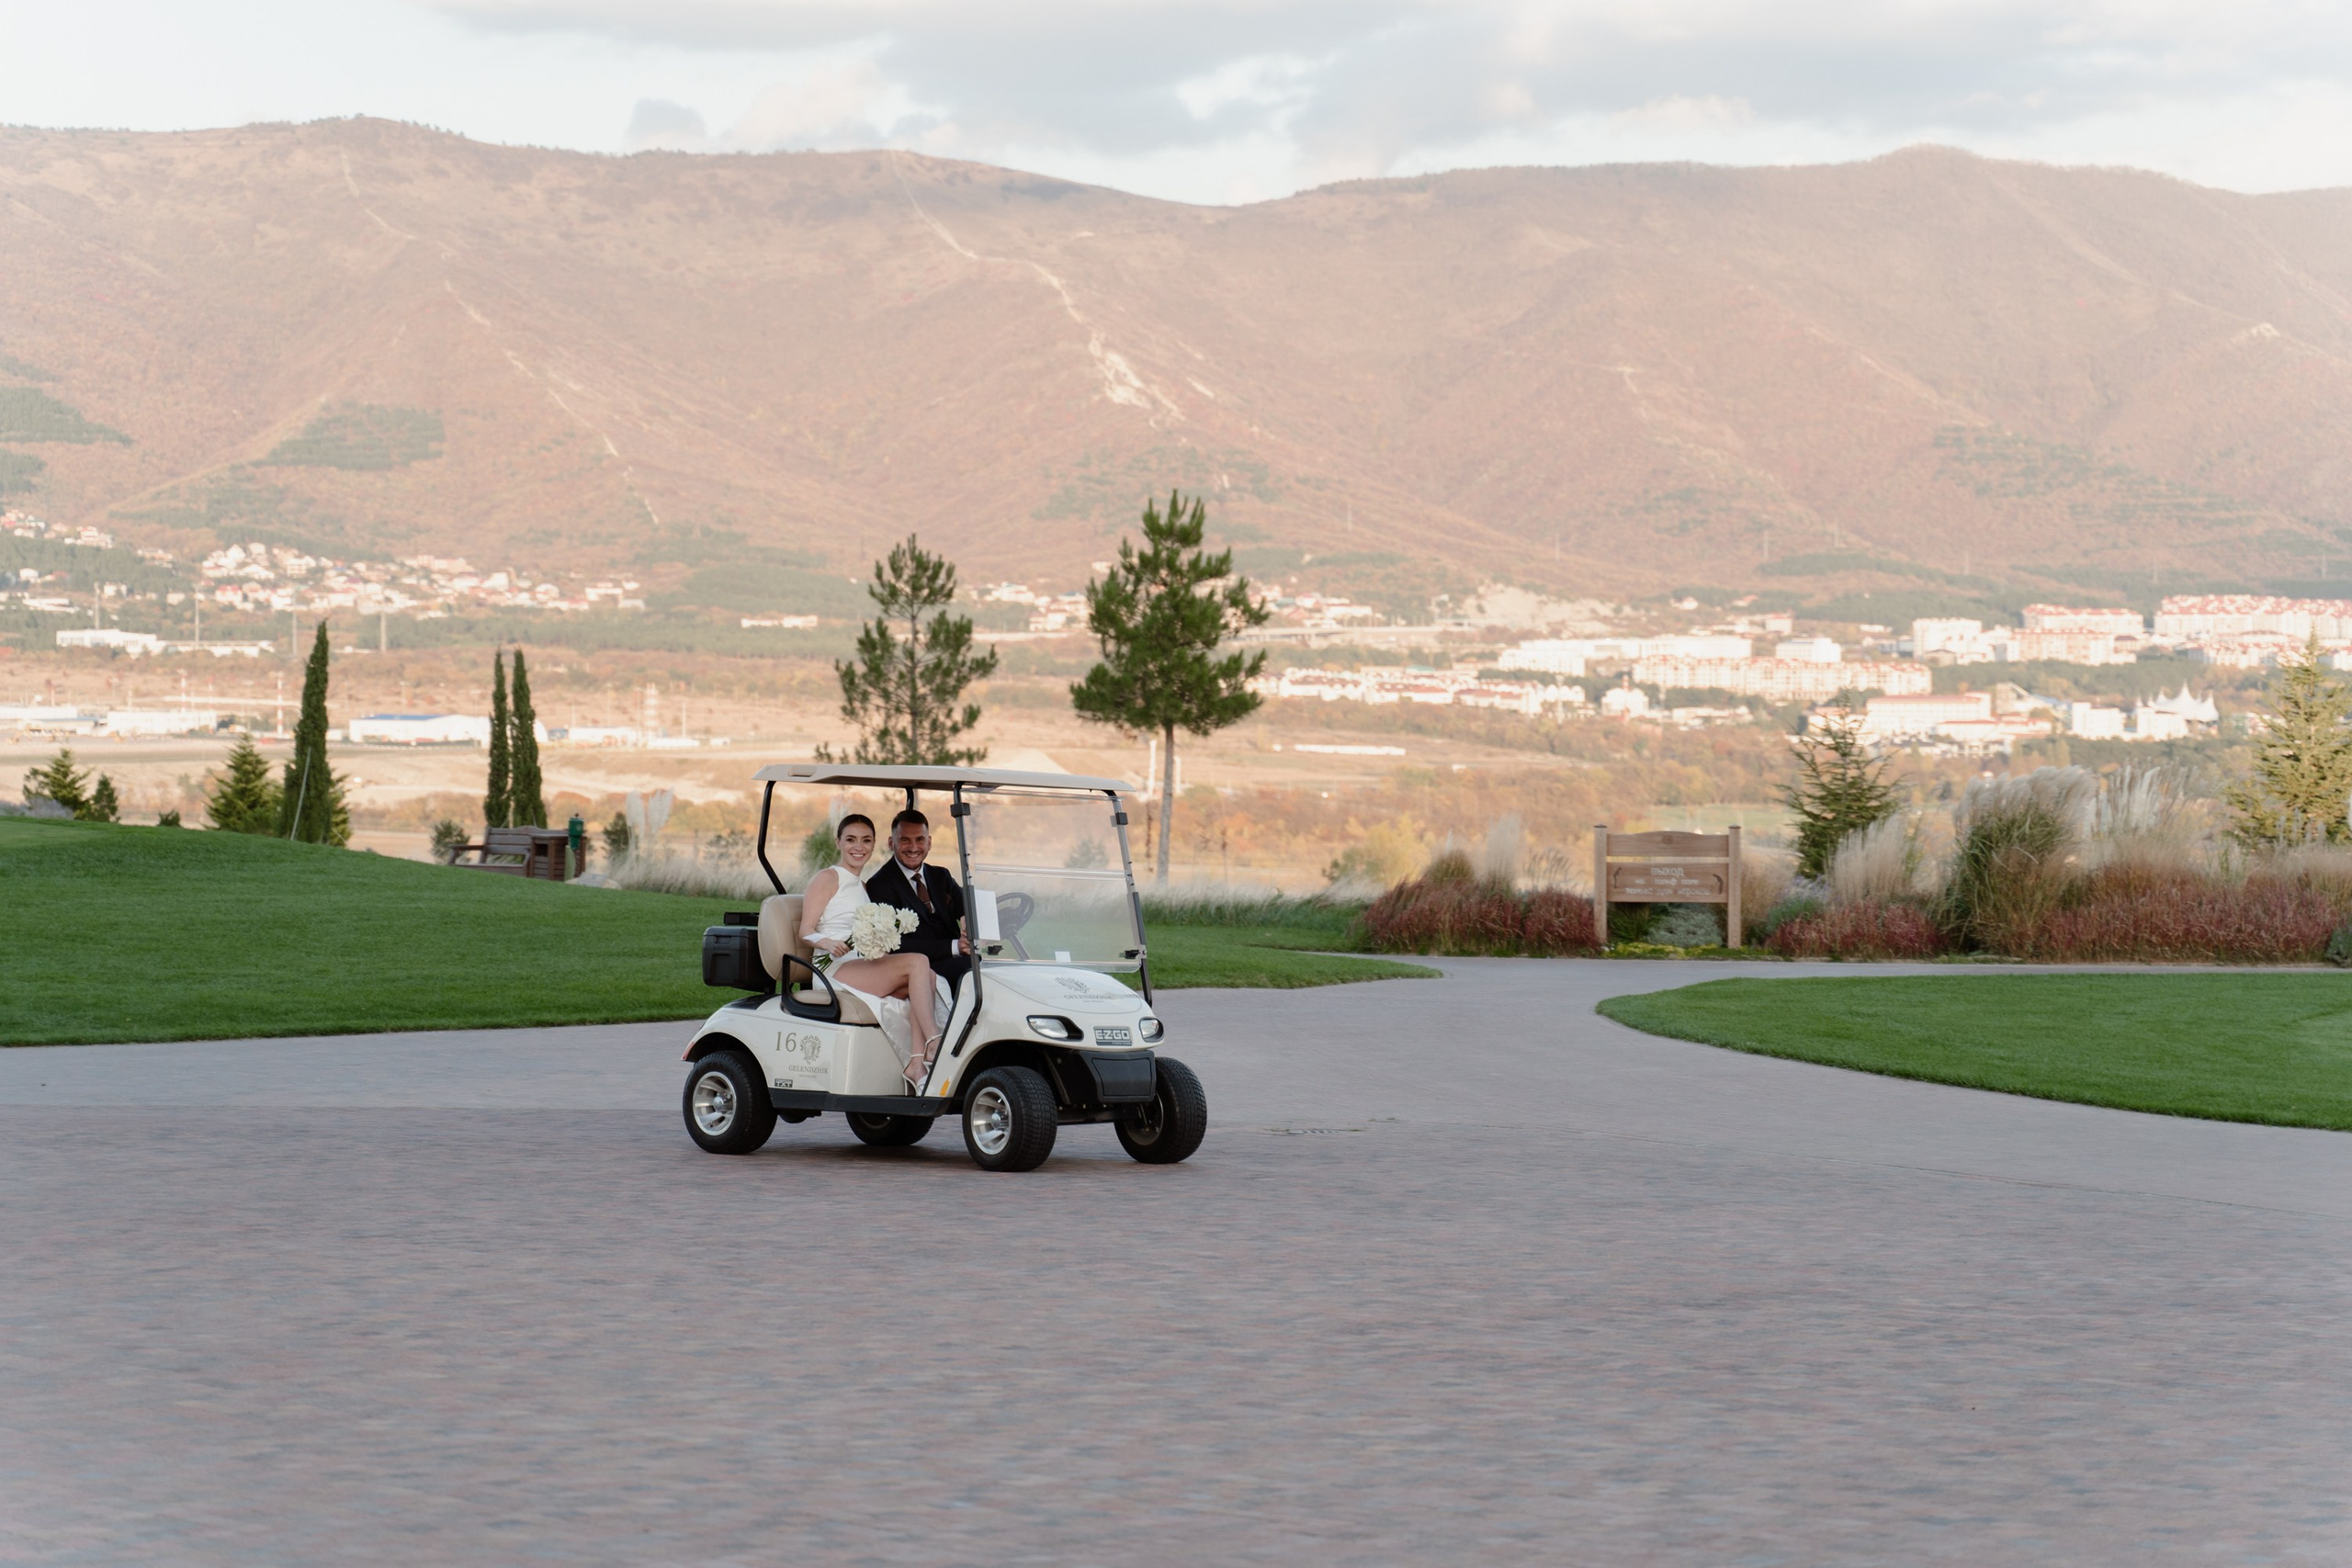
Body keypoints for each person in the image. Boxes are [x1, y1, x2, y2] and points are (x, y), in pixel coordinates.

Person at [798, 813, 943, 1089]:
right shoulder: (828, 878)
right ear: (838, 842)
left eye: (866, 841)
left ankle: (915, 1064)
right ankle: (933, 1041)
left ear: (874, 844)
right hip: (834, 967)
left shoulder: (864, 886)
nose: (858, 847)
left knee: (929, 977)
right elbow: (805, 930)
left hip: (859, 965)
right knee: (918, 962)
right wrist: (827, 943)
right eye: (851, 840)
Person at [865, 807, 970, 987]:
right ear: (891, 843)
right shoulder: (880, 884)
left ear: (929, 842)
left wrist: (966, 916)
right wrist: (955, 947)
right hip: (920, 969)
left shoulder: (941, 875)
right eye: (905, 840)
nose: (913, 848)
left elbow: (964, 903)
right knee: (974, 974)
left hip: (958, 962)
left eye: (920, 840)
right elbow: (895, 943)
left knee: (990, 972)